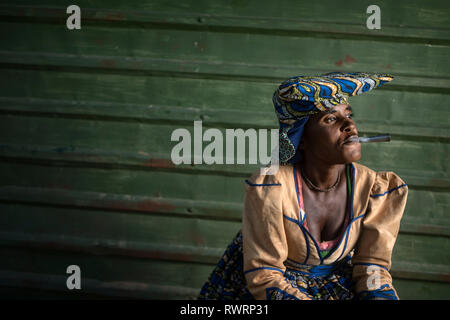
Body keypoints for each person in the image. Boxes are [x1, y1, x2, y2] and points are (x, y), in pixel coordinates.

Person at [198, 72, 408, 300]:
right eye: (330, 119)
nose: (349, 125)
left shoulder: (375, 188)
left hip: (336, 288)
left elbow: (373, 267)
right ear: (302, 139)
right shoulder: (271, 187)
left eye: (348, 115)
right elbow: (266, 275)